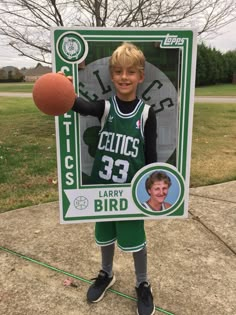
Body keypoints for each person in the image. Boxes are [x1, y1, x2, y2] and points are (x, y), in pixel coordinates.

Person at [68, 42, 157, 315]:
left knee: (135, 240)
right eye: (118, 71)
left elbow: (151, 156)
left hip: (131, 193)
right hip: (104, 190)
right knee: (105, 236)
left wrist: (150, 193)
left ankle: (142, 283)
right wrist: (61, 86)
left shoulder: (146, 113)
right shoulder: (105, 108)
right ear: (112, 75)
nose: (124, 77)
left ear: (140, 76)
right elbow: (80, 105)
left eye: (131, 72)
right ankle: (106, 274)